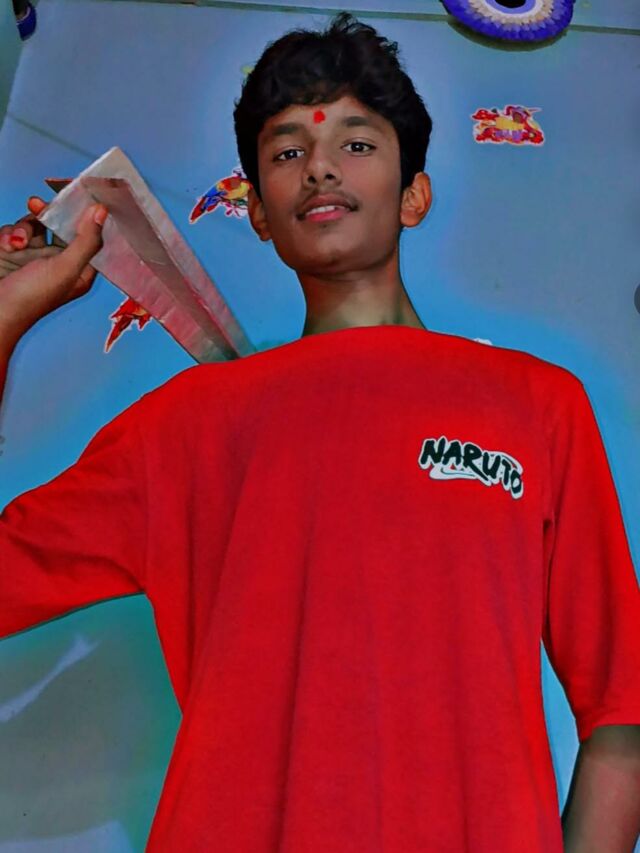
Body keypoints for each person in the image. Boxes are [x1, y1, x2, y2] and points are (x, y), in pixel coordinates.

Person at [1, 13, 639, 852]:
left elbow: (623, 717)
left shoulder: (537, 406)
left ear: (414, 195)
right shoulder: (185, 425)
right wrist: (5, 320)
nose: (320, 166)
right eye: (287, 151)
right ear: (260, 216)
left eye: (357, 143)